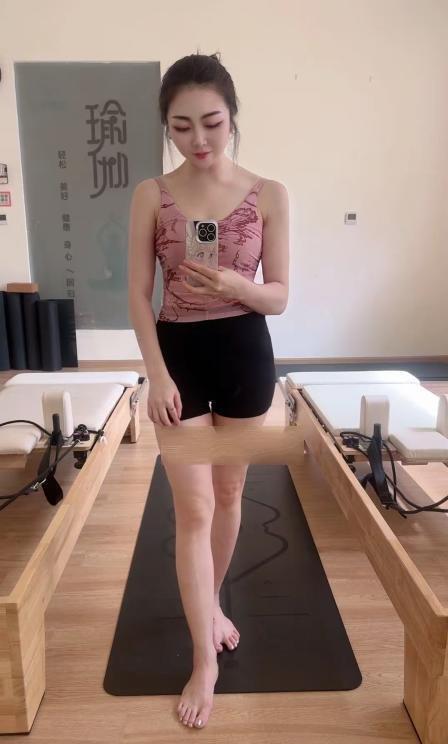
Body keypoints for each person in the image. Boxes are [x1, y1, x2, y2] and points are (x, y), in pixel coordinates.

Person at [128, 51, 289, 731]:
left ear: (232, 117)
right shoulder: (151, 194)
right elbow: (138, 294)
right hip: (179, 360)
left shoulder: (269, 193)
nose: (198, 139)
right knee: (192, 509)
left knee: (229, 496)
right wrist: (157, 373)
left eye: (212, 123)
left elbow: (279, 296)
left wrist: (236, 286)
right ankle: (204, 658)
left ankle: (213, 602)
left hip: (246, 354)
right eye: (182, 126)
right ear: (166, 126)